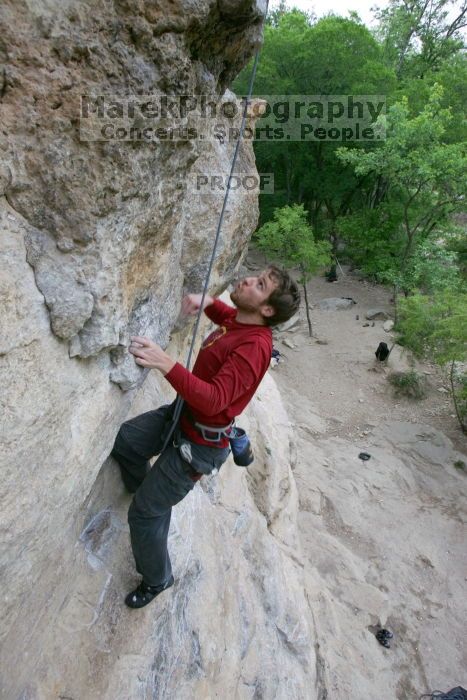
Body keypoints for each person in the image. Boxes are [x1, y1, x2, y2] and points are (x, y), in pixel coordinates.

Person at [111, 265, 300, 608]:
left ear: (267, 310)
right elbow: (227, 313)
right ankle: (147, 490)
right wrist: (208, 301)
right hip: (181, 417)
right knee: (126, 443)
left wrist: (165, 362)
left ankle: (157, 579)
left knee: (143, 513)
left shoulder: (254, 348)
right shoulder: (243, 321)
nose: (246, 279)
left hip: (198, 446)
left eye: (258, 284)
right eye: (256, 276)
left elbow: (213, 398)